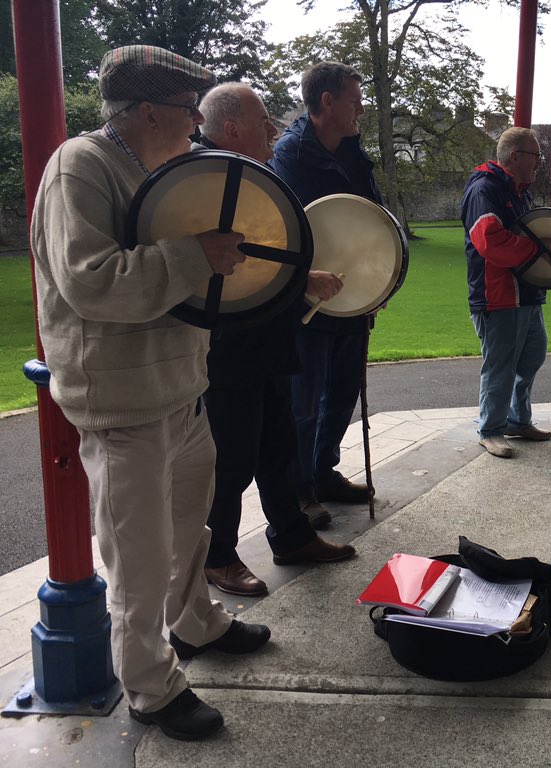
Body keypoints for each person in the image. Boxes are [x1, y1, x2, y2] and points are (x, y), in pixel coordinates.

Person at [31, 45, 269, 742]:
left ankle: (195, 621)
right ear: (145, 112)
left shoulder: (157, 168)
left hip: (178, 388)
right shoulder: (80, 165)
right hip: (122, 401)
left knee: (188, 527)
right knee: (136, 557)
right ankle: (150, 687)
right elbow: (91, 281)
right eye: (187, 109)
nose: (198, 121)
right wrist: (198, 255)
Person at [194, 83, 355, 598]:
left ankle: (291, 536)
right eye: (262, 120)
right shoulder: (204, 179)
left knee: (278, 447)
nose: (274, 128)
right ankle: (217, 557)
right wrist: (303, 278)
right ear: (230, 129)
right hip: (229, 344)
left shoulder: (242, 174)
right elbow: (235, 258)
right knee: (232, 456)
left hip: (264, 335)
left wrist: (298, 281)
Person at [271, 62, 377, 513]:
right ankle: (299, 491)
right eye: (355, 100)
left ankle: (323, 474)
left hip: (352, 294)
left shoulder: (353, 152)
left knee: (342, 393)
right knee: (304, 401)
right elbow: (281, 232)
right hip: (311, 298)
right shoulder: (290, 157)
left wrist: (378, 280)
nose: (361, 110)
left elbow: (370, 218)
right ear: (328, 101)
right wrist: (305, 279)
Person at [461, 127, 551, 459]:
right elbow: (490, 241)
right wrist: (539, 248)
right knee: (500, 365)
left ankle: (518, 420)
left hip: (527, 294)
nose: (539, 163)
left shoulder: (518, 193)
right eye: (536, 156)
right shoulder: (484, 189)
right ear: (515, 156)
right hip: (497, 295)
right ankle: (490, 429)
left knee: (533, 354)